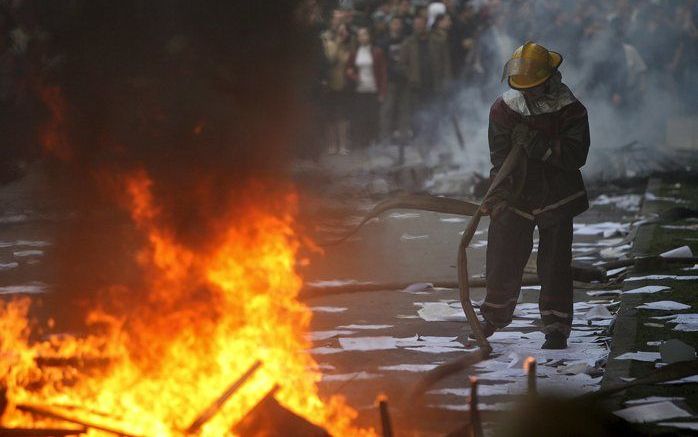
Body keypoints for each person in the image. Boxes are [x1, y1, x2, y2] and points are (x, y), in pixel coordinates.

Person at [479, 42, 590, 350]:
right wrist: (496, 195)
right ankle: (493, 317)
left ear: (550, 80)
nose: (528, 94)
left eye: (535, 88)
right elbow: (500, 159)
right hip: (517, 194)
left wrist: (540, 145)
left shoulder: (571, 109)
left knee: (555, 263)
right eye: (524, 89)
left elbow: (575, 155)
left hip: (557, 192)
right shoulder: (504, 109)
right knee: (502, 254)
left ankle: (556, 326)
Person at [346, 26, 387, 149]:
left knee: (373, 117)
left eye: (365, 34)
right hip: (359, 90)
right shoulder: (354, 53)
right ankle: (361, 142)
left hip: (373, 88)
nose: (362, 37)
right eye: (360, 35)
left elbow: (382, 73)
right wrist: (353, 76)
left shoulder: (377, 52)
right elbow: (348, 69)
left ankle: (373, 141)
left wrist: (382, 92)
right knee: (360, 116)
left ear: (369, 36)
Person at [323, 22, 354, 155]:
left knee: (343, 117)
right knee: (330, 117)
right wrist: (337, 43)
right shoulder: (330, 45)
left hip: (345, 85)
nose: (343, 33)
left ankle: (342, 145)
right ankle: (332, 145)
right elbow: (330, 60)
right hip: (330, 85)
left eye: (344, 31)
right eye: (340, 31)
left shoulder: (350, 47)